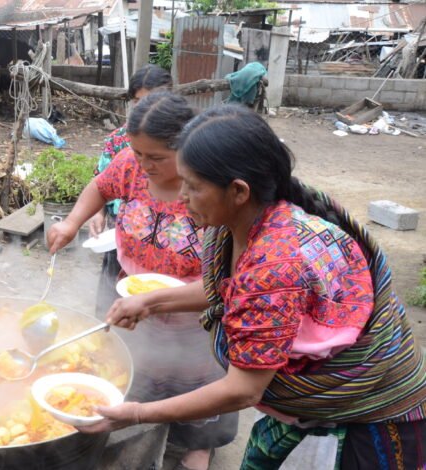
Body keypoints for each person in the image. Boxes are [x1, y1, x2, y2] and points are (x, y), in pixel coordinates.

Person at [99, 105, 426, 469]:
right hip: (304, 408)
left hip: (371, 416)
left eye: (192, 186)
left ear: (238, 190)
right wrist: (150, 303)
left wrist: (137, 414)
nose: (181, 198)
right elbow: (229, 292)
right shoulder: (250, 219)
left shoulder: (275, 265)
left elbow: (243, 388)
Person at [47, 91, 236, 470]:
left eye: (157, 157)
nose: (143, 164)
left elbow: (229, 282)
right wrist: (71, 222)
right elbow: (101, 187)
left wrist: (156, 302)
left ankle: (198, 444)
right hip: (134, 293)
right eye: (138, 153)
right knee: (139, 369)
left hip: (196, 306)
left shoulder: (210, 186)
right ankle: (143, 426)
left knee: (197, 378)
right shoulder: (130, 165)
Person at [89, 64, 173, 319]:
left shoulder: (181, 139)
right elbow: (101, 179)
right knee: (115, 283)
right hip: (122, 227)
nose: (146, 108)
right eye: (138, 102)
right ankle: (106, 329)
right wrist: (98, 213)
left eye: (155, 100)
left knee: (155, 290)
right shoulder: (119, 139)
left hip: (167, 236)